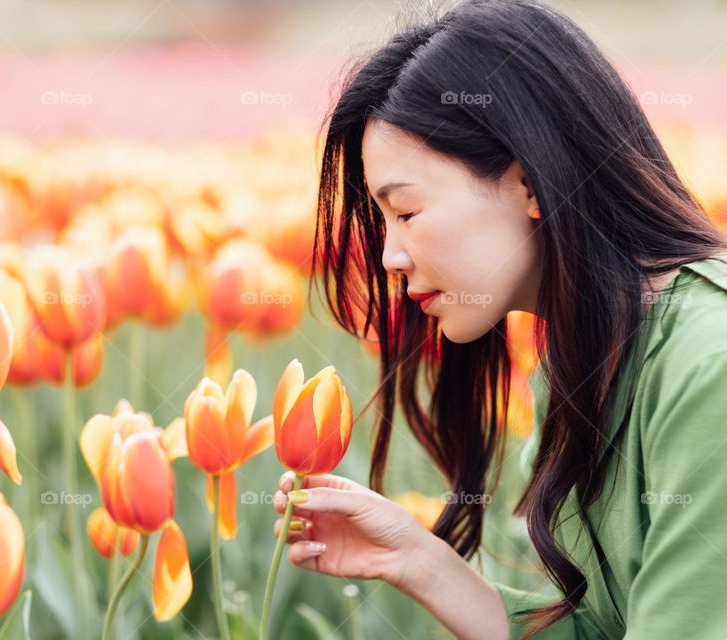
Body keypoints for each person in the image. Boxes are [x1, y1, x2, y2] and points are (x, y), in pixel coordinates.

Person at [271, 1, 727, 638]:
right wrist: (417, 558)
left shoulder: (709, 364)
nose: (388, 256)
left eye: (404, 212)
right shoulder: (580, 365)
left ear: (529, 183)